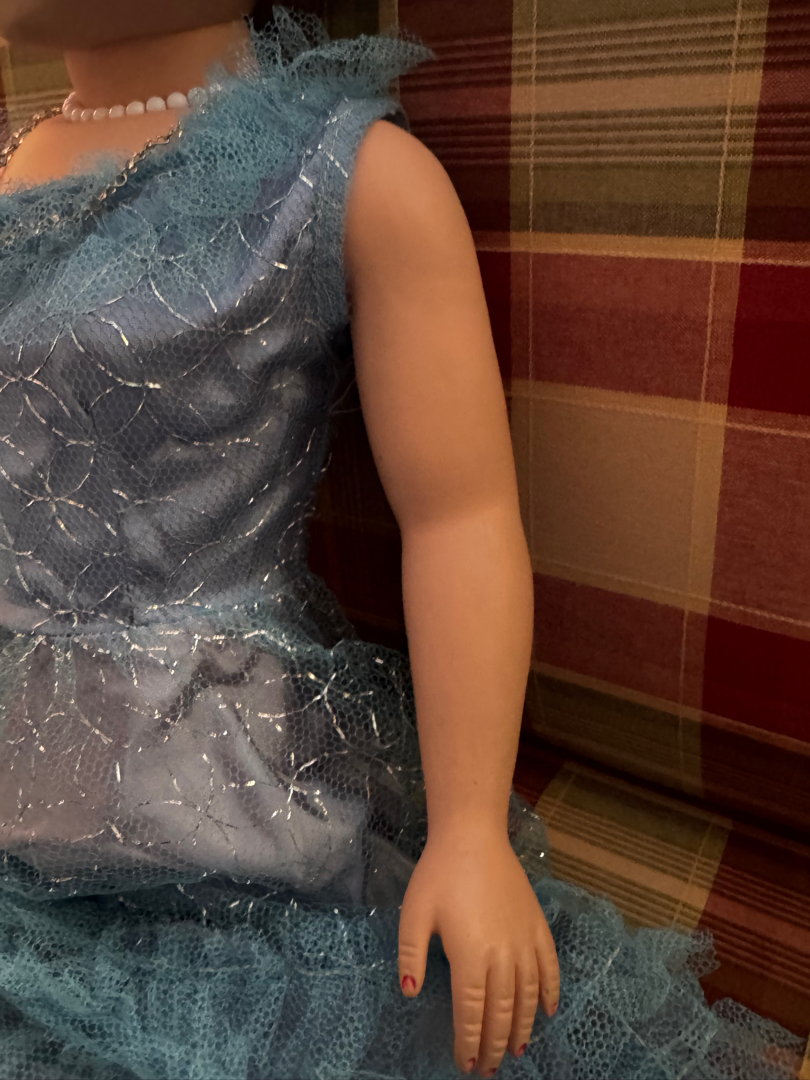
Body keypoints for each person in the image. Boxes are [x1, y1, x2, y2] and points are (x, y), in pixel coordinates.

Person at [0, 4, 802, 1078]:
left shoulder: (338, 175)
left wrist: (470, 833)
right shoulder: (11, 163)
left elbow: (459, 516)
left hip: (208, 805)